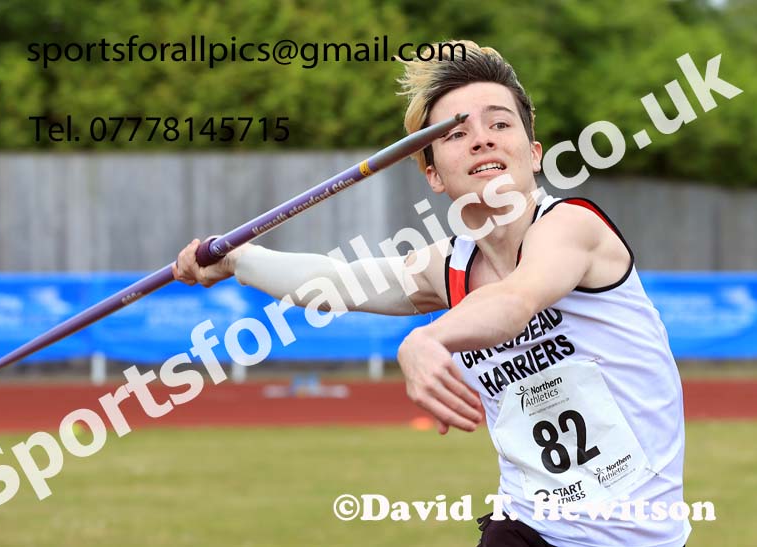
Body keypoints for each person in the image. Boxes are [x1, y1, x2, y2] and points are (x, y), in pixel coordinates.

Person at [173, 41, 690, 547]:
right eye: (457, 132)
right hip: (528, 525)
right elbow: (337, 282)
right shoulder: (451, 266)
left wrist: (424, 339)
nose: (483, 139)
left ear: (533, 155)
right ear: (433, 174)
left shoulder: (571, 226)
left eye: (500, 123)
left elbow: (515, 301)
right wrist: (239, 261)